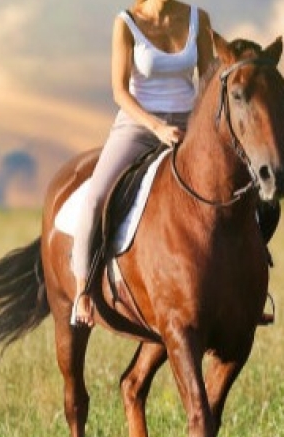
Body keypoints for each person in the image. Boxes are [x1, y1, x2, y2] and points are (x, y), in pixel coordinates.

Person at [70, 0, 214, 327]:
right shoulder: (126, 22)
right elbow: (120, 92)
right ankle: (82, 290)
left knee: (239, 189)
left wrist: (202, 128)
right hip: (140, 127)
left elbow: (207, 81)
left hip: (190, 126)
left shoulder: (197, 18)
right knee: (96, 198)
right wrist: (157, 128)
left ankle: (246, 293)